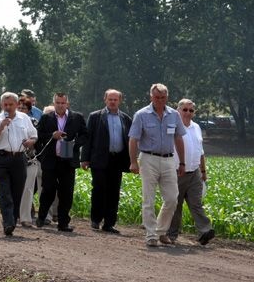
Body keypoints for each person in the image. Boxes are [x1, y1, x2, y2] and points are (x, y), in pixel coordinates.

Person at [128, 83, 187, 247]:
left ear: (167, 97)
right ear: (151, 97)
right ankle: (151, 234)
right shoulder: (141, 115)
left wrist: (182, 162)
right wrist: (133, 161)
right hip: (148, 158)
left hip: (168, 160)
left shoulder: (174, 115)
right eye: (157, 97)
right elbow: (133, 139)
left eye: (163, 97)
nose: (160, 100)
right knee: (149, 198)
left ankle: (161, 231)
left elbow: (178, 138)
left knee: (172, 198)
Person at [0, 92, 38, 236]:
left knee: (17, 192)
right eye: (5, 105)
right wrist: (0, 128)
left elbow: (34, 136)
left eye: (11, 104)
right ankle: (8, 222)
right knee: (4, 192)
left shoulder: (24, 118)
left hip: (19, 158)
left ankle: (12, 220)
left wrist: (30, 142)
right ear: (1, 105)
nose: (8, 107)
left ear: (17, 105)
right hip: (1, 158)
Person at [80, 89, 133, 233]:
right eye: (110, 99)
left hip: (117, 159)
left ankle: (109, 223)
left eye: (115, 99)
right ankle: (96, 219)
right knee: (99, 189)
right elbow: (88, 139)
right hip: (99, 158)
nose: (112, 102)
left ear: (120, 101)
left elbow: (131, 140)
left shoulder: (126, 118)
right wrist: (84, 158)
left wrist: (133, 160)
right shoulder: (95, 117)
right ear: (105, 100)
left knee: (114, 191)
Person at [35, 93, 87, 232]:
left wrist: (75, 143)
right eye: (57, 103)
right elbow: (38, 136)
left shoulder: (77, 117)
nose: (60, 105)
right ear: (54, 104)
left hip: (68, 159)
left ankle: (63, 223)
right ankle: (42, 216)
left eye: (63, 103)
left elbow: (85, 135)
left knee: (66, 192)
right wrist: (52, 136)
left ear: (67, 104)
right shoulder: (46, 118)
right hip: (51, 160)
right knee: (48, 189)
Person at [168, 98, 215, 245]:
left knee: (196, 203)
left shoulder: (196, 127)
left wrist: (203, 171)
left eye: (191, 110)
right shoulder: (173, 126)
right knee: (176, 205)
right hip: (177, 172)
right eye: (185, 110)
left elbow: (200, 152)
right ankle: (171, 235)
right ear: (178, 110)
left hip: (194, 172)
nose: (188, 113)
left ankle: (205, 231)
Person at [17, 98, 40, 227]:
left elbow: (38, 140)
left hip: (30, 159)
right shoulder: (9, 121)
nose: (21, 110)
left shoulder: (34, 122)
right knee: (14, 188)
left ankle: (25, 217)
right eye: (19, 108)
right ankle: (12, 214)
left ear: (29, 110)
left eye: (24, 108)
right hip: (13, 159)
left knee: (28, 188)